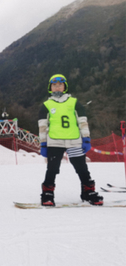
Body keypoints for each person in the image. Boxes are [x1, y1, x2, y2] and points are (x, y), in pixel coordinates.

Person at [38, 74, 103, 206]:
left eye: (60, 85)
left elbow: (83, 122)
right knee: (52, 168)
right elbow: (42, 126)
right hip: (55, 141)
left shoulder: (74, 102)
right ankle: (47, 194)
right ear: (50, 88)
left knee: (81, 167)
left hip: (74, 141)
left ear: (65, 87)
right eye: (54, 85)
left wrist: (86, 139)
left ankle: (88, 192)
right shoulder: (46, 105)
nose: (57, 87)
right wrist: (43, 144)